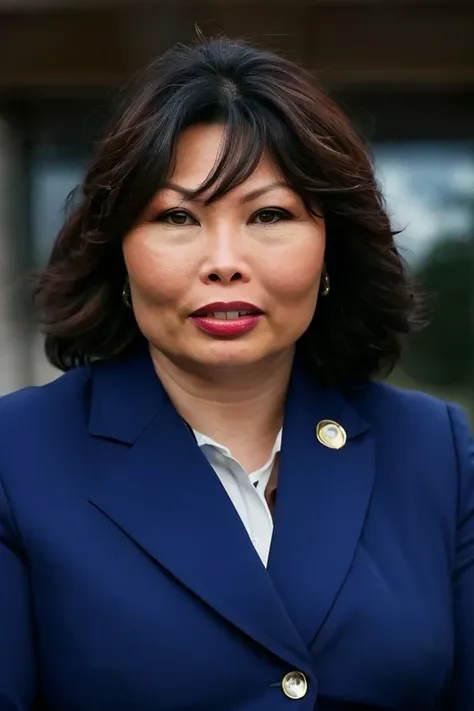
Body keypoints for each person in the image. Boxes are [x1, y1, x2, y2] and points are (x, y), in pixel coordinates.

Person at [0, 36, 472, 711]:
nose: (225, 260)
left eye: (269, 214)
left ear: (330, 247)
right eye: (177, 217)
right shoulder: (16, 457)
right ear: (119, 255)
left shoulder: (433, 452)